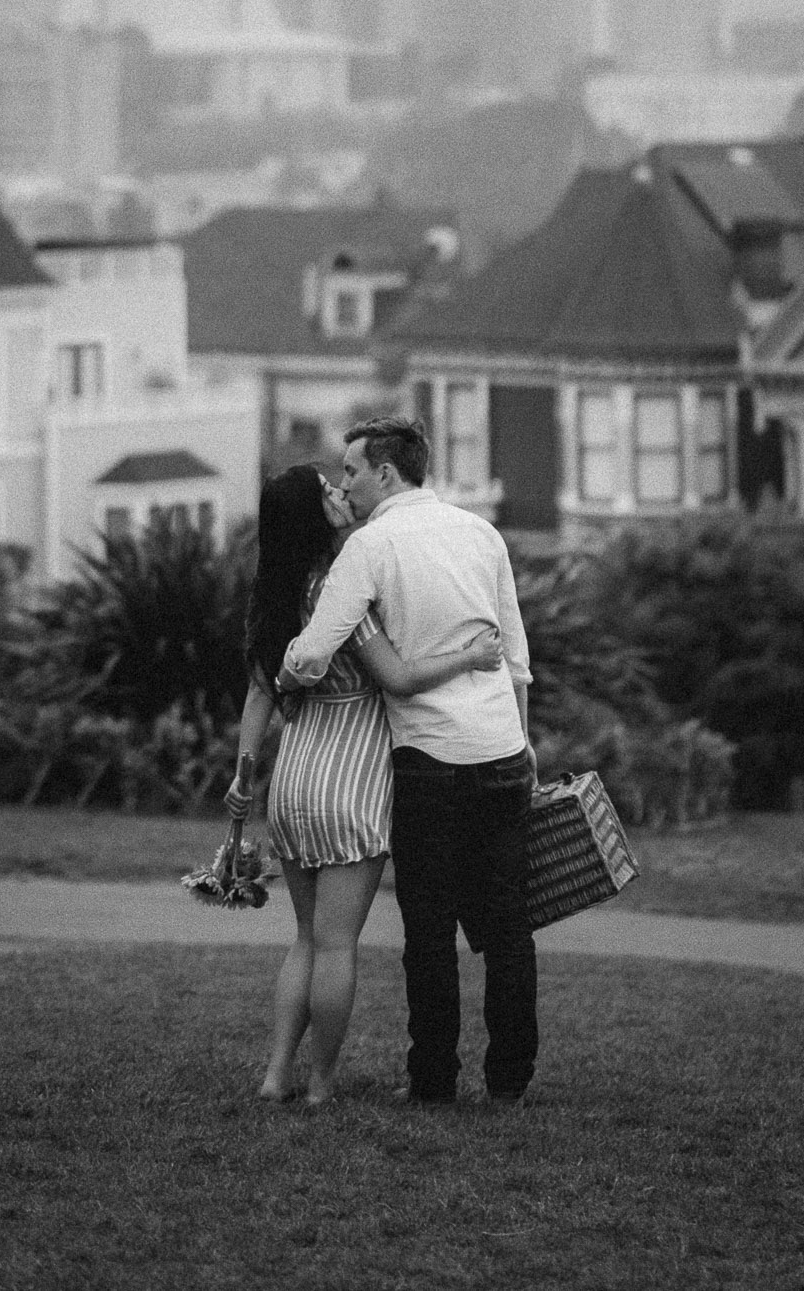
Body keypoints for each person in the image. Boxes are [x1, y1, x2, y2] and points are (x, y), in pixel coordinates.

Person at [224, 463, 503, 1108]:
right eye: (327, 491)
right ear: (312, 516)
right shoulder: (342, 588)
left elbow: (259, 694)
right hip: (351, 774)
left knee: (304, 938)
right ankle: (321, 1085)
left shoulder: (274, 598)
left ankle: (274, 1076)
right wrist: (471, 656)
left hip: (293, 777)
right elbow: (397, 678)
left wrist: (242, 779)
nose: (340, 492)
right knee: (337, 943)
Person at [282, 416, 537, 1111]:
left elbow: (312, 650)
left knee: (429, 931)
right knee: (509, 927)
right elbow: (515, 660)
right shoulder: (481, 534)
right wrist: (525, 745)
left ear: (387, 473)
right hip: (502, 751)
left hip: (430, 760)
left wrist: (285, 671)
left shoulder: (370, 546)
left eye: (353, 471)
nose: (345, 484)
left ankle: (433, 1081)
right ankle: (510, 1079)